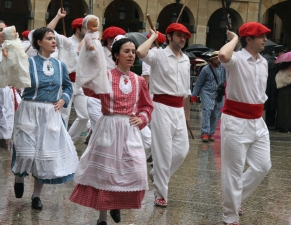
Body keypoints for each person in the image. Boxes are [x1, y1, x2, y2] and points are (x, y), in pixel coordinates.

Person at [69, 37, 153, 225]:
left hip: (129, 130)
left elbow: (147, 107)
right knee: (106, 174)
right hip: (108, 127)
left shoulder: (139, 81)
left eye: (133, 51)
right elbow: (87, 87)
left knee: (135, 171)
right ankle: (102, 218)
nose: (131, 55)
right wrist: (91, 54)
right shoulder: (105, 76)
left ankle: (117, 203)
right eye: (126, 51)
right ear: (116, 55)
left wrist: (142, 118)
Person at [11, 27, 78, 210]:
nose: (54, 41)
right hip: (30, 109)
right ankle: (19, 176)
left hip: (50, 113)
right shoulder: (28, 62)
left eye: (54, 38)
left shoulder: (60, 65)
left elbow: (67, 87)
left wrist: (63, 100)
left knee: (43, 157)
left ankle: (36, 196)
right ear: (39, 42)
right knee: (26, 153)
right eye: (49, 38)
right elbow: (13, 75)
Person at [218, 22, 272, 225]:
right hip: (236, 121)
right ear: (248, 40)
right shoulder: (237, 60)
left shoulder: (264, 62)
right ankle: (230, 215)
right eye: (261, 36)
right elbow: (223, 55)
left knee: (262, 166)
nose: (265, 39)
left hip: (258, 121)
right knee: (233, 171)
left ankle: (237, 198)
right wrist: (233, 39)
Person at [137, 23, 191, 207]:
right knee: (162, 152)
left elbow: (186, 90)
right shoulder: (158, 54)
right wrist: (152, 37)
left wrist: (186, 113)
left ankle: (157, 175)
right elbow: (140, 52)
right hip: (160, 107)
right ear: (169, 37)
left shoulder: (186, 59)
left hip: (178, 109)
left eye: (184, 36)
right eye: (178, 35)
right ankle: (161, 194)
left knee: (182, 151)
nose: (182, 39)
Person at [47, 9, 89, 143]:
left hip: (80, 83)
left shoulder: (88, 43)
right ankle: (59, 143)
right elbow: (47, 30)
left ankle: (68, 141)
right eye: (85, 28)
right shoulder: (66, 41)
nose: (88, 31)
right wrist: (58, 16)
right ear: (78, 29)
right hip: (66, 83)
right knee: (63, 115)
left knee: (84, 116)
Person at [191, 51, 226, 142]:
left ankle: (211, 132)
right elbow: (199, 83)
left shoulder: (223, 68)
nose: (218, 60)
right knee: (207, 112)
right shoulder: (206, 69)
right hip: (207, 93)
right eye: (216, 58)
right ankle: (205, 133)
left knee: (216, 114)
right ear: (212, 59)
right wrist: (194, 94)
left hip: (218, 94)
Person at [75, 14, 110, 95]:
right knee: (94, 62)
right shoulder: (88, 36)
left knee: (100, 64)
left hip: (97, 49)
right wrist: (90, 46)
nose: (96, 28)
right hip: (92, 49)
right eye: (93, 26)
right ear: (87, 27)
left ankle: (97, 76)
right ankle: (90, 77)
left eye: (96, 26)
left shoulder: (96, 34)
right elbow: (87, 41)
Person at [0, 20, 15, 153]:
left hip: (6, 92)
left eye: (5, 30)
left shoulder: (10, 49)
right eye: (0, 30)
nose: (3, 33)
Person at [264, 45, 285, 130]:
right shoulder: (273, 61)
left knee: (273, 104)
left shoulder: (275, 61)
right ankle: (270, 123)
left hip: (274, 86)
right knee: (271, 104)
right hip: (272, 86)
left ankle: (271, 122)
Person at [275, 61, 291, 133]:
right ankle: (287, 126)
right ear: (288, 66)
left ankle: (280, 126)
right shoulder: (289, 73)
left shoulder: (279, 73)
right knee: (288, 110)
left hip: (281, 93)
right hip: (288, 93)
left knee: (281, 110)